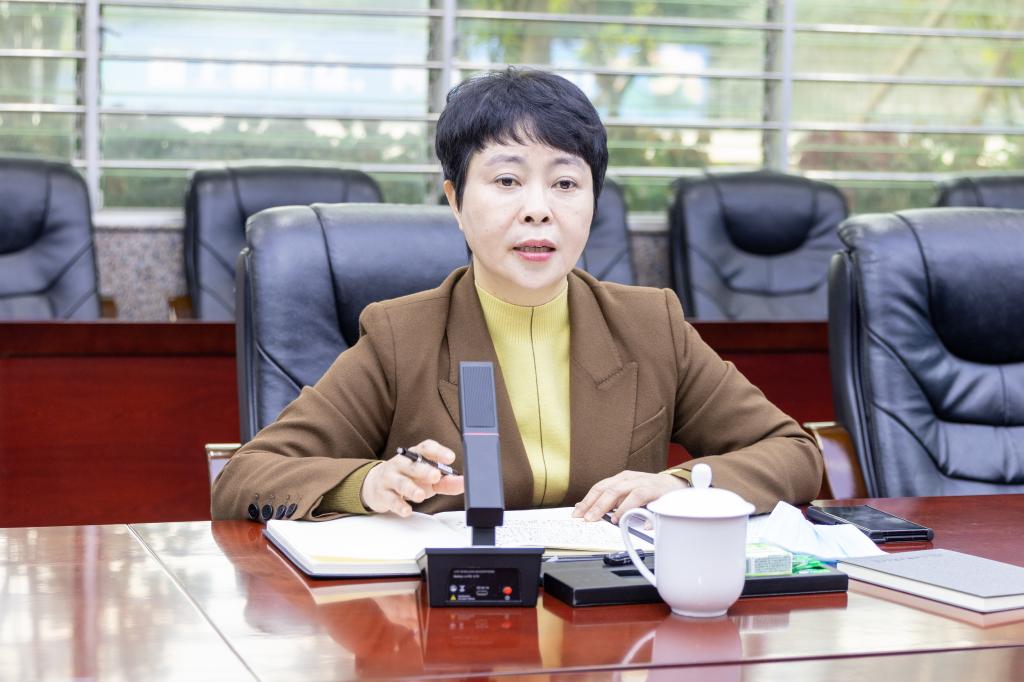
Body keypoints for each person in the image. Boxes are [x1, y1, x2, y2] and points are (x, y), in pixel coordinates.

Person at [211, 68, 822, 523]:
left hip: (612, 622)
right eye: (506, 180)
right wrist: (367, 484)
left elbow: (792, 451)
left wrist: (683, 486)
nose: (538, 210)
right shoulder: (401, 336)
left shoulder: (649, 323)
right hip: (460, 623)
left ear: (594, 201)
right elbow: (246, 478)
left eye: (566, 183)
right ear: (455, 200)